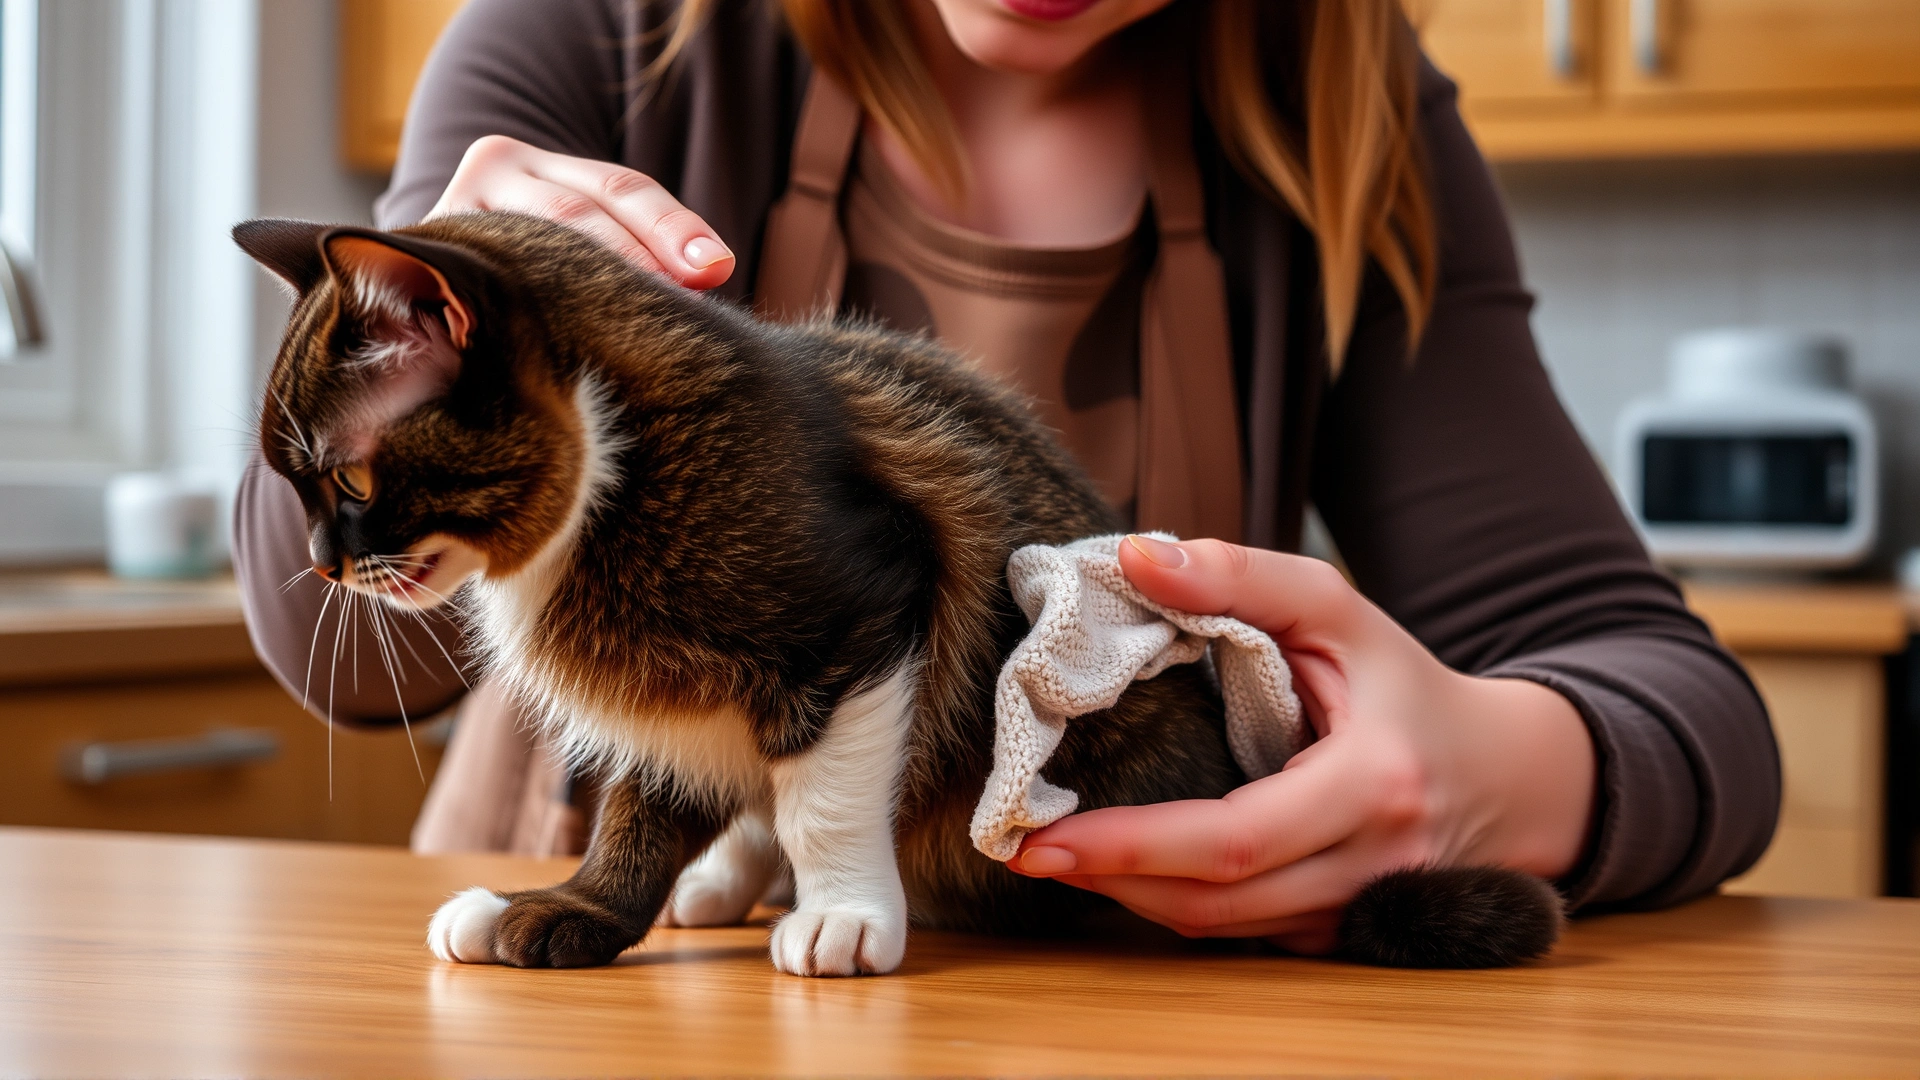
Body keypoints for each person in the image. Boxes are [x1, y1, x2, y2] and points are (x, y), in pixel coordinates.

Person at [234, 0, 1779, 952]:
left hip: (1069, 988)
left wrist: (1485, 766)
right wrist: (435, 281)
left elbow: (1687, 709)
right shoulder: (602, 30)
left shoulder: (1345, 104)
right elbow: (334, 655)